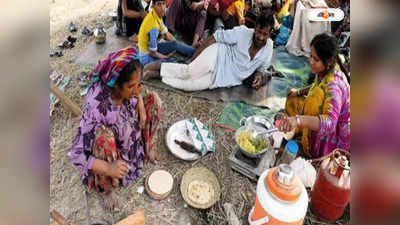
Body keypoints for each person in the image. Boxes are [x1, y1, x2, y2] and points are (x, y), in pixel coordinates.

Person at [70, 47, 162, 210]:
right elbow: (77, 155)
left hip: (129, 139)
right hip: (114, 156)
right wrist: (108, 168)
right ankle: (107, 189)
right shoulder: (98, 108)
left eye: (138, 84)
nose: (136, 90)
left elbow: (136, 93)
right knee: (103, 137)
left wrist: (139, 99)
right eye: (132, 86)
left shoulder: (126, 91)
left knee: (154, 100)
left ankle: (148, 147)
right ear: (116, 85)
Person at [142, 11, 275, 92]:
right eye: (259, 32)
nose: (261, 37)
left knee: (189, 85)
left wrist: (258, 76)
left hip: (224, 77)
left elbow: (262, 69)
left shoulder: (268, 48)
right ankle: (157, 66)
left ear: (270, 34)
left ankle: (159, 75)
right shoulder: (243, 32)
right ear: (255, 27)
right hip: (218, 54)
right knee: (190, 71)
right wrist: (194, 57)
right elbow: (215, 37)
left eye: (265, 34)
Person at [277, 32, 350, 158]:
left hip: (334, 136)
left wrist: (298, 120)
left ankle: (313, 149)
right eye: (310, 56)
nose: (310, 61)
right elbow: (317, 85)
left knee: (305, 115)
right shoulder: (324, 70)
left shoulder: (335, 86)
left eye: (315, 59)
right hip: (326, 117)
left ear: (328, 62)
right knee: (293, 98)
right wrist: (298, 92)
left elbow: (330, 123)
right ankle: (299, 130)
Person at [137, 0, 195, 65]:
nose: (162, 8)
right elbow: (152, 53)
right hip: (147, 56)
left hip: (153, 49)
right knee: (173, 62)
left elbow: (167, 34)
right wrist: (166, 57)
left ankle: (194, 51)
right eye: (159, 4)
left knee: (175, 44)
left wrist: (176, 45)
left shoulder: (155, 14)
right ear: (153, 5)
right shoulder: (153, 26)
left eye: (163, 4)